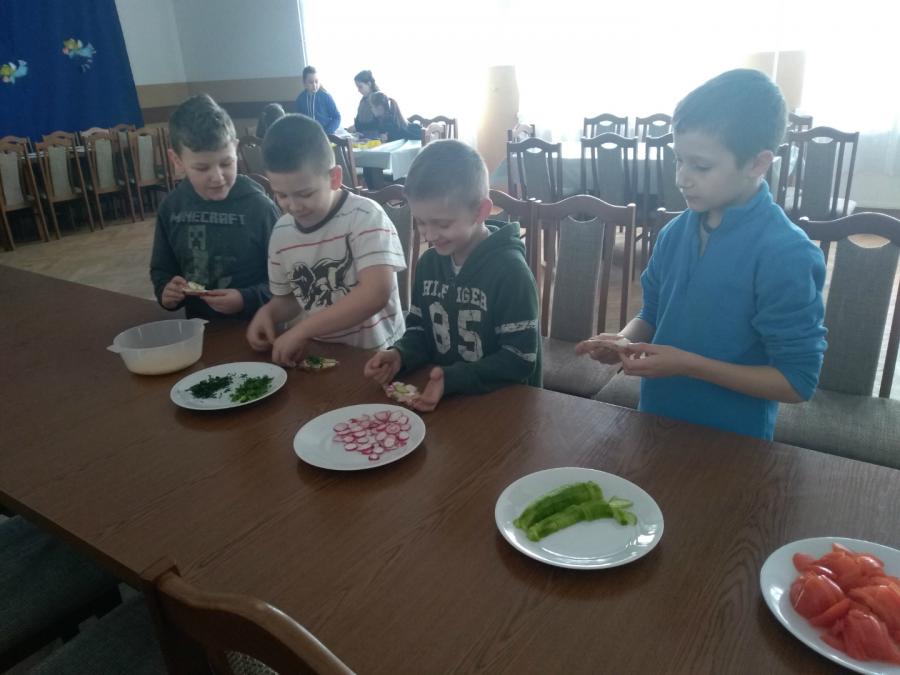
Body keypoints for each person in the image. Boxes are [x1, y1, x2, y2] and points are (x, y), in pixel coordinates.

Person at [576, 69, 827, 440]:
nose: (682, 178)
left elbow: (796, 382)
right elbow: (653, 313)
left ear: (757, 164)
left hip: (733, 440)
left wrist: (688, 365)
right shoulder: (674, 233)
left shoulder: (785, 253)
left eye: (701, 166)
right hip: (656, 419)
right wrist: (624, 341)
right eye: (678, 160)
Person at [363, 140, 542, 412]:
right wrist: (400, 354)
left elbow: (520, 359)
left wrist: (455, 378)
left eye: (442, 224)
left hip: (503, 407)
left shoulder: (511, 273)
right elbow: (420, 330)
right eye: (421, 222)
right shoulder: (428, 264)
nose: (429, 235)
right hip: (447, 400)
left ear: (481, 211)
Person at [246, 114, 406, 365]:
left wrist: (302, 330)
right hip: (320, 354)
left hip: (377, 357)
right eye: (281, 195)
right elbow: (290, 300)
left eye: (305, 194)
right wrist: (269, 313)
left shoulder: (365, 216)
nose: (293, 206)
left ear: (334, 178)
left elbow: (375, 293)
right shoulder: (281, 231)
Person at [150, 94, 280, 321]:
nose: (218, 177)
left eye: (226, 163)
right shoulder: (171, 208)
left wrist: (245, 299)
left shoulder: (260, 208)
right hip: (200, 329)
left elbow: (287, 282)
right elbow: (162, 270)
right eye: (202, 168)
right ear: (177, 161)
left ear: (236, 149)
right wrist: (166, 291)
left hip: (257, 326)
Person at [294, 66, 341, 134]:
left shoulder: (326, 97)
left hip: (326, 134)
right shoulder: (300, 99)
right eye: (311, 82)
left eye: (316, 81)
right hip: (307, 135)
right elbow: (297, 120)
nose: (314, 85)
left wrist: (327, 132)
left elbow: (337, 117)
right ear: (304, 83)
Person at [352, 70, 379, 135]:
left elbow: (378, 124)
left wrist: (357, 128)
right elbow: (358, 120)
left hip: (375, 138)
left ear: (369, 84)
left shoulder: (378, 99)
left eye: (360, 87)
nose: (358, 90)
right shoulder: (363, 100)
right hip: (363, 136)